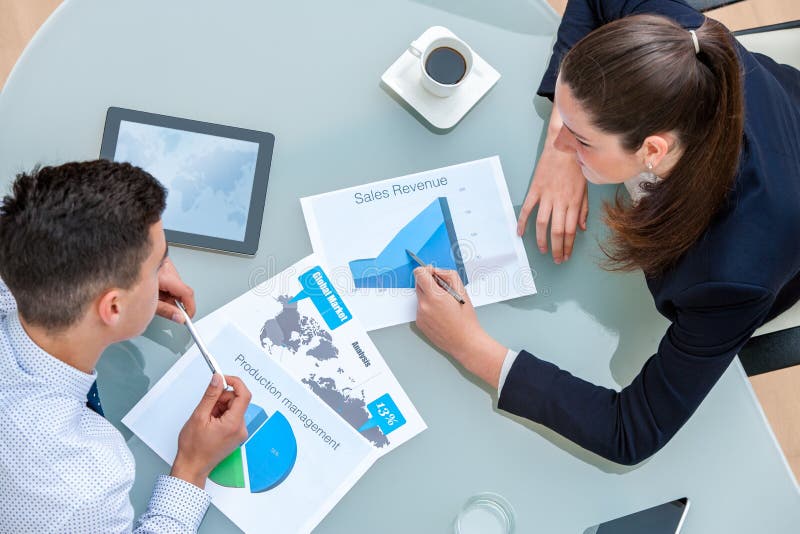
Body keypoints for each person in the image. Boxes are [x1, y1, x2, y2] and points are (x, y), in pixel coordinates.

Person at [414, 0, 800, 465]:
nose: (558, 141)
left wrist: (469, 345)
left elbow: (631, 430)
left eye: (580, 138)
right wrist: (568, 145)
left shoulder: (732, 274)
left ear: (652, 151)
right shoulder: (674, 42)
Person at [0, 160, 252, 531]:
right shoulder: (82, 485)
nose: (166, 270)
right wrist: (192, 467)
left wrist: (139, 275)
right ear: (113, 307)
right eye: (158, 264)